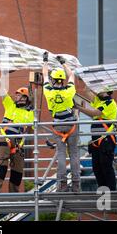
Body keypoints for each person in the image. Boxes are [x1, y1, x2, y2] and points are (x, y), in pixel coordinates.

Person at [42, 52, 81, 192]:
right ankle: (76, 184)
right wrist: (63, 62)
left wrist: (45, 61)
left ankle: (62, 184)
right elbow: (71, 75)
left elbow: (45, 75)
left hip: (58, 125)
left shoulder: (48, 91)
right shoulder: (69, 90)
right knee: (74, 154)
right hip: (71, 124)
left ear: (53, 80)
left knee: (61, 154)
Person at [0, 73, 34, 193]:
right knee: (1, 169)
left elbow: (35, 126)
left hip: (19, 145)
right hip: (4, 140)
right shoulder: (10, 106)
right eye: (17, 95)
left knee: (17, 173)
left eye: (20, 96)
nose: (17, 98)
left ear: (26, 98)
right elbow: (2, 89)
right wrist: (4, 75)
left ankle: (14, 199)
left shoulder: (31, 114)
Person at [76, 87, 117, 191]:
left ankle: (111, 191)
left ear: (107, 92)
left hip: (106, 139)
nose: (97, 91)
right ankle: (103, 190)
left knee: (106, 166)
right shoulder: (99, 101)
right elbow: (86, 91)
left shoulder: (109, 103)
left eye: (100, 89)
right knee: (96, 167)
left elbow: (94, 113)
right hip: (96, 140)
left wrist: (78, 107)